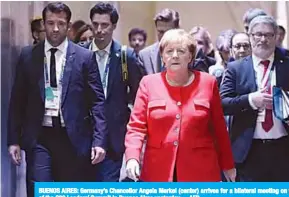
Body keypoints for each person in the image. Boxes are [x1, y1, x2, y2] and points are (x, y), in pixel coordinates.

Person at [7, 2, 107, 196]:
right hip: (39, 137)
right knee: (39, 190)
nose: (55, 28)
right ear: (43, 24)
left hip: (73, 138)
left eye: (60, 23)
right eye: (50, 23)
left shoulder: (84, 57)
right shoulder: (28, 55)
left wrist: (99, 141)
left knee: (69, 190)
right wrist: (13, 140)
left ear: (68, 26)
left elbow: (97, 102)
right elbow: (17, 100)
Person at [220, 15, 289, 181]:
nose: (263, 39)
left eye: (268, 35)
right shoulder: (236, 69)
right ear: (250, 36)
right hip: (248, 152)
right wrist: (250, 100)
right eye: (258, 34)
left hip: (285, 150)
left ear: (276, 37)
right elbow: (223, 104)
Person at [125, 29, 236, 182]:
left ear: (190, 56)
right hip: (159, 170)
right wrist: (132, 158)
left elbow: (219, 129)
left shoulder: (207, 82)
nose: (175, 56)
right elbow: (136, 127)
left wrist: (228, 165)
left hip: (200, 171)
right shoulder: (148, 83)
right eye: (169, 51)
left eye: (181, 51)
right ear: (162, 57)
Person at [82, 2, 143, 182]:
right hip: (83, 134)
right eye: (95, 24)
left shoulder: (126, 56)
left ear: (114, 26)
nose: (99, 30)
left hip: (113, 137)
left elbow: (138, 94)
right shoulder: (80, 52)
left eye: (105, 25)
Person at [139, 8, 180, 75]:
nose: (164, 36)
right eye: (161, 32)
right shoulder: (145, 55)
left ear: (177, 29)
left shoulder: (188, 54)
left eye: (168, 32)